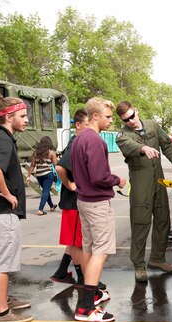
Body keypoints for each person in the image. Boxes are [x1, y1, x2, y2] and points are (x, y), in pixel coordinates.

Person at [71, 98, 126, 322]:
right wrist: (118, 179)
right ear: (95, 116)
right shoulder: (94, 140)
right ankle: (85, 308)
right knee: (100, 251)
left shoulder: (78, 138)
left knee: (89, 248)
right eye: (108, 116)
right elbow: (99, 177)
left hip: (83, 200)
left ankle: (91, 295)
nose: (111, 121)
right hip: (96, 203)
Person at [115, 101, 172, 282]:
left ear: (136, 110)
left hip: (159, 180)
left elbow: (167, 146)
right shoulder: (122, 135)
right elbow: (129, 145)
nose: (131, 121)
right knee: (140, 223)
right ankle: (139, 265)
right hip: (140, 181)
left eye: (132, 116)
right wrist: (143, 148)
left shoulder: (152, 125)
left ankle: (158, 259)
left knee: (162, 220)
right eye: (126, 120)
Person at [0, 94, 32, 322]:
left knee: (2, 259)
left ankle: (5, 300)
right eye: (22, 116)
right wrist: (6, 192)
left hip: (2, 213)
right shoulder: (2, 140)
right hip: (3, 211)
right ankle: (2, 311)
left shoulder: (2, 138)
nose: (26, 120)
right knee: (1, 261)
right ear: (8, 116)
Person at [50, 109, 107, 291]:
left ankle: (63, 272)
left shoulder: (78, 142)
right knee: (77, 243)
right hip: (73, 201)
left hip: (74, 202)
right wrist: (70, 185)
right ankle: (84, 278)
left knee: (74, 240)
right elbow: (59, 168)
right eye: (86, 124)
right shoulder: (76, 142)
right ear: (78, 125)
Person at [26, 136, 58, 216]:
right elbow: (56, 165)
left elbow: (32, 165)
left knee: (45, 190)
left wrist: (28, 176)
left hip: (39, 175)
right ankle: (40, 209)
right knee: (46, 191)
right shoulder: (51, 153)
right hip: (48, 175)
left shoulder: (35, 153)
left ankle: (51, 206)